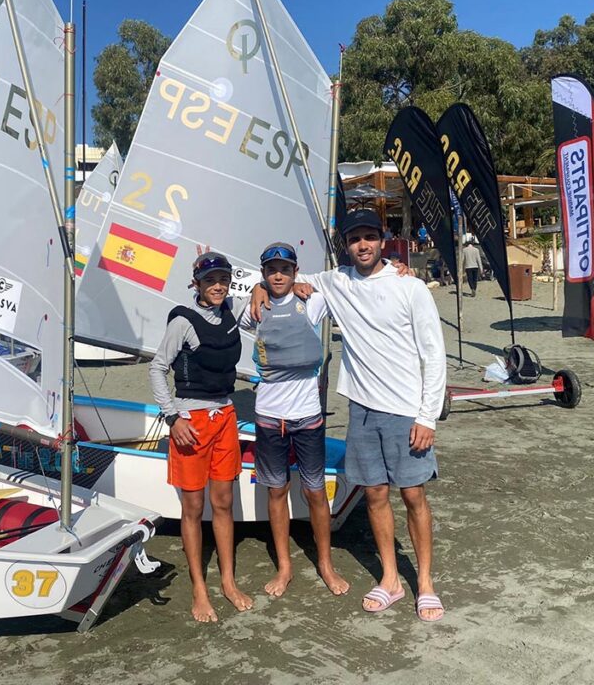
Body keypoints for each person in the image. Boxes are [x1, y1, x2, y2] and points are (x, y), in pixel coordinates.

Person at [252, 209, 447, 621]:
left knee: (413, 495)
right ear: (346, 245)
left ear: (383, 240)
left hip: (406, 410)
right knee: (375, 495)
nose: (363, 245)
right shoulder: (336, 281)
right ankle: (391, 579)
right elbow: (282, 279)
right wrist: (257, 287)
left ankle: (426, 583)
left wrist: (427, 417)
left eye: (370, 237)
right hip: (361, 408)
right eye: (355, 238)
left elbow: (434, 354)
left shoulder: (410, 287)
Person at [240, 242, 349, 598]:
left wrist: (399, 268)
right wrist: (255, 289)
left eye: (285, 270)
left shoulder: (312, 302)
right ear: (263, 273)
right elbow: (221, 299)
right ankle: (284, 567)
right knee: (277, 491)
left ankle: (325, 564)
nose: (278, 276)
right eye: (271, 270)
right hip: (270, 418)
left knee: (315, 491)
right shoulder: (255, 308)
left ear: (295, 271)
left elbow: (344, 279)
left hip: (307, 418)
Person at [149, 251, 253, 622]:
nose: (218, 286)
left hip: (224, 415)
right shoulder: (183, 321)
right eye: (210, 280)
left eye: (223, 279)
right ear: (196, 284)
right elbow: (157, 369)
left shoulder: (232, 309)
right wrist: (172, 418)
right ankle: (199, 589)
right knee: (193, 508)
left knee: (223, 502)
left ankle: (228, 581)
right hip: (190, 421)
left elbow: (267, 289)